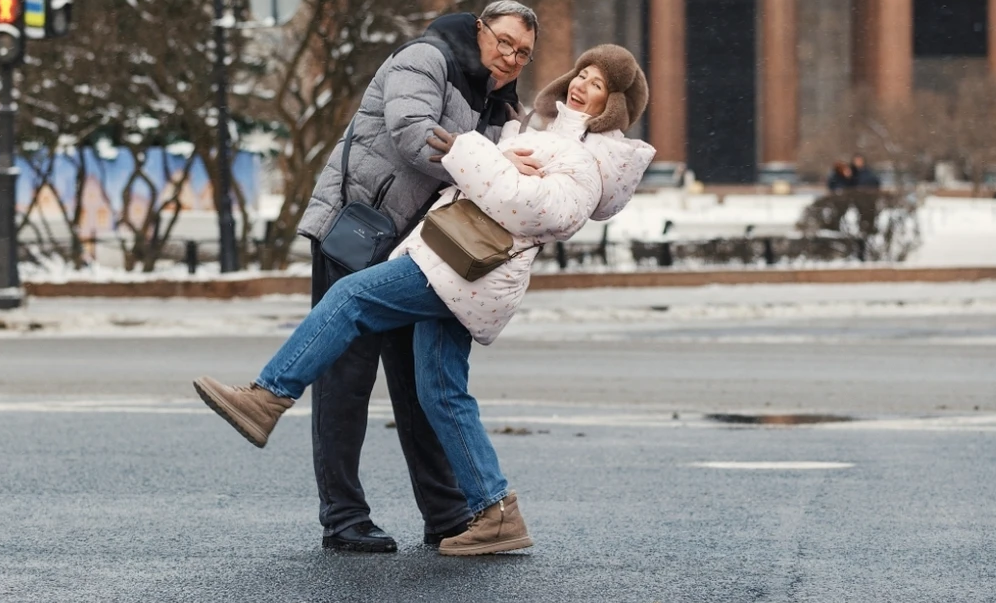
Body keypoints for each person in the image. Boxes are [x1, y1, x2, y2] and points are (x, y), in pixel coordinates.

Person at [194, 46, 655, 557]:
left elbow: (542, 209)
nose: (580, 84)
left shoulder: (586, 160)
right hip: (463, 263)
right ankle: (496, 511)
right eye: (581, 73)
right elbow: (503, 178)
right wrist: (499, 150)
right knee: (441, 391)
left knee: (351, 297)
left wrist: (472, 151)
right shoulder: (547, 136)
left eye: (595, 84)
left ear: (611, 103)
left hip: (463, 267)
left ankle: (267, 398)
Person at [289, 2, 539, 554]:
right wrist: (488, 164)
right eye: (504, 42)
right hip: (360, 232)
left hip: (424, 255)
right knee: (345, 382)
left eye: (523, 52)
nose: (511, 57)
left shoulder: (499, 103)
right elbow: (412, 134)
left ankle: (446, 515)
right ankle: (344, 517)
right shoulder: (425, 58)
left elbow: (514, 182)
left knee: (419, 385)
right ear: (480, 30)